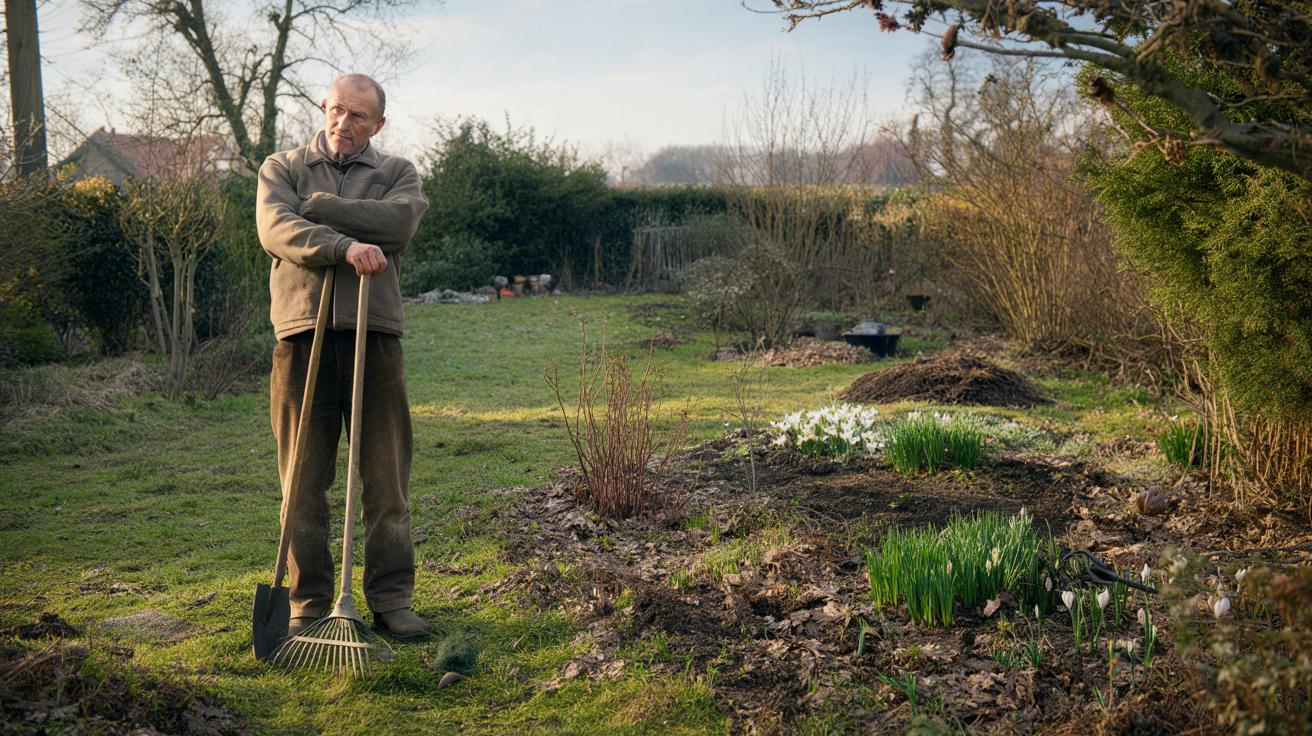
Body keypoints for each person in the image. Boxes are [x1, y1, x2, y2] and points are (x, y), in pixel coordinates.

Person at [256, 73, 430, 638]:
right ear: (322, 109)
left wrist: (324, 207)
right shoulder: (282, 168)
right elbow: (277, 228)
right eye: (336, 111)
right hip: (301, 337)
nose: (344, 124)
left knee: (386, 477)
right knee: (302, 480)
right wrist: (344, 245)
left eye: (358, 116)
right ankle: (308, 600)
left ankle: (390, 598)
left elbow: (399, 225)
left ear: (378, 124)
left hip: (374, 336)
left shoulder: (397, 172)